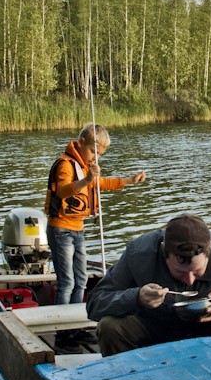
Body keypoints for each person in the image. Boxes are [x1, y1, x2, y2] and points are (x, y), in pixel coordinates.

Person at [86, 214, 211, 356]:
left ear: (209, 249)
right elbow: (95, 304)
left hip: (209, 331)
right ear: (164, 251)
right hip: (153, 329)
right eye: (179, 272)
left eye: (197, 272)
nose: (189, 280)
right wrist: (136, 297)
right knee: (110, 327)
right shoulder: (138, 253)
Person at [45, 123, 145, 353]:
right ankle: (62, 332)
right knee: (66, 281)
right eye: (93, 152)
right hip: (61, 229)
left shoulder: (85, 166)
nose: (95, 158)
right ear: (80, 144)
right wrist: (86, 180)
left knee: (81, 279)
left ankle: (76, 327)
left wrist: (129, 180)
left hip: (78, 229)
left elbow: (101, 184)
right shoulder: (65, 164)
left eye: (99, 155)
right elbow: (62, 190)